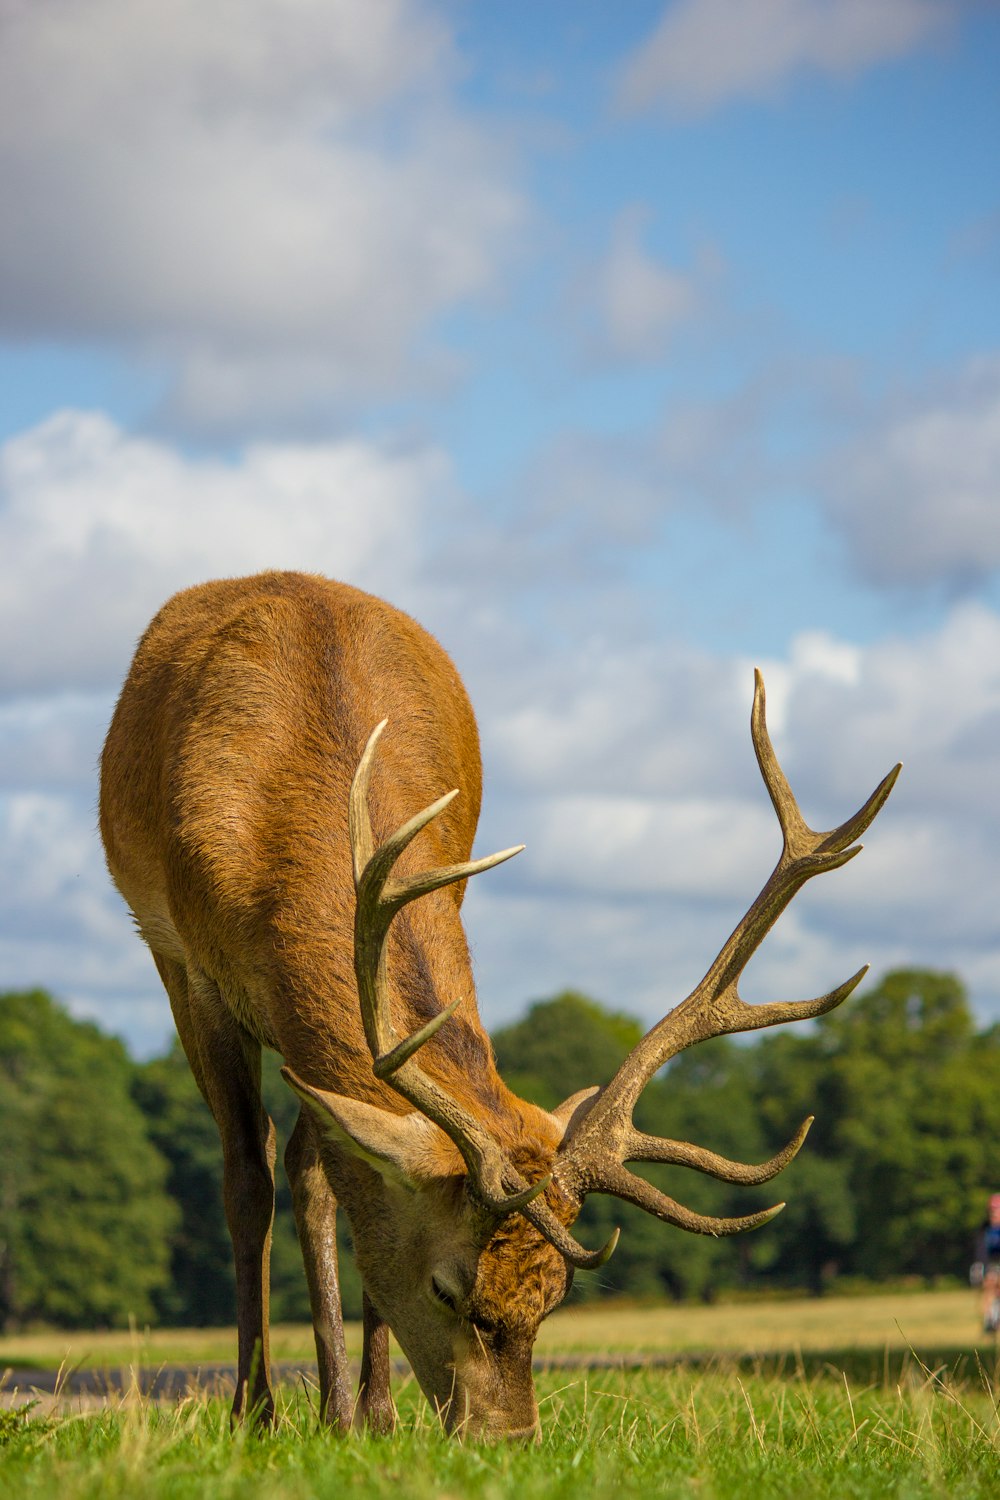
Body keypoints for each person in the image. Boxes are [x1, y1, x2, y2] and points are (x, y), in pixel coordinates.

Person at [971, 1194, 1000, 1331]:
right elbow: (981, 1251)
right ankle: (989, 1319)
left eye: (996, 1210)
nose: (993, 1213)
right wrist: (980, 1267)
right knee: (990, 1284)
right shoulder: (985, 1228)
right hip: (991, 1264)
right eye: (991, 1210)